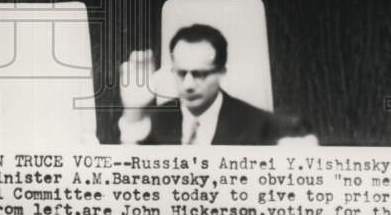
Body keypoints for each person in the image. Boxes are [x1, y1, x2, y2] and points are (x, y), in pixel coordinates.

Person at [118, 24, 281, 146]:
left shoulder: (259, 124)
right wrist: (133, 110)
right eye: (181, 73)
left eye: (200, 74)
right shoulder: (151, 123)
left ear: (222, 72)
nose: (188, 85)